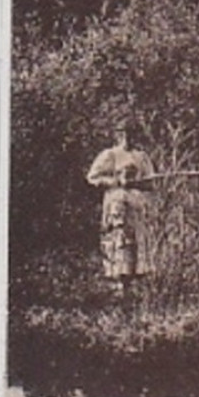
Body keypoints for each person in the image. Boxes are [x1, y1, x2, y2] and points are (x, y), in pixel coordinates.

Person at [86, 125, 156, 294]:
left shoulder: (141, 156)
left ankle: (136, 284)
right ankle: (119, 284)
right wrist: (115, 181)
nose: (127, 138)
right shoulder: (110, 155)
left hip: (137, 204)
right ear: (117, 135)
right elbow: (92, 177)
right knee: (120, 240)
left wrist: (140, 182)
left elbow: (151, 182)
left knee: (138, 241)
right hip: (118, 202)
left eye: (131, 133)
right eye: (123, 134)